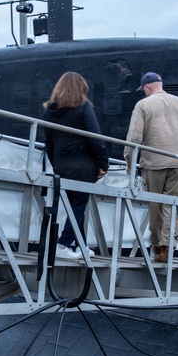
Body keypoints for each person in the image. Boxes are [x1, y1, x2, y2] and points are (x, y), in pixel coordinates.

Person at [124, 72, 178, 263]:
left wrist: (129, 161)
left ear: (147, 88)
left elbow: (134, 137)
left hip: (154, 164)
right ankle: (168, 248)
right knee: (173, 205)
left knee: (155, 206)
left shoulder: (143, 105)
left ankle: (158, 249)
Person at [43, 72, 109, 259]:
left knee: (75, 206)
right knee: (79, 205)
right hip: (83, 165)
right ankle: (62, 244)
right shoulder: (83, 106)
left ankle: (81, 245)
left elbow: (48, 142)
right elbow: (95, 137)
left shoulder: (50, 111)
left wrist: (56, 164)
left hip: (62, 165)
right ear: (80, 88)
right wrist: (103, 163)